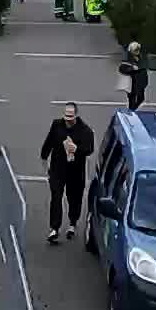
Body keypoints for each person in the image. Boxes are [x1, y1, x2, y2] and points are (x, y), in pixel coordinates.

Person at [39, 103, 94, 244]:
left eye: (71, 118)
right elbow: (49, 141)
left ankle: (72, 223)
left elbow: (89, 149)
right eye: (66, 117)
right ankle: (54, 228)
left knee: (74, 198)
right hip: (58, 168)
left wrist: (77, 149)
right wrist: (44, 157)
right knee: (56, 196)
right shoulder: (57, 125)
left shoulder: (85, 131)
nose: (68, 121)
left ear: (76, 116)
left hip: (75, 172)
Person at [120, 41, 149, 110]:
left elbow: (144, 66)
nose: (137, 51)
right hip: (132, 83)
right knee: (132, 100)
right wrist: (132, 68)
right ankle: (131, 111)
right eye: (135, 50)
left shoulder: (140, 56)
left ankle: (132, 110)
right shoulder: (128, 58)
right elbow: (122, 68)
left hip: (141, 82)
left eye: (138, 49)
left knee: (141, 98)